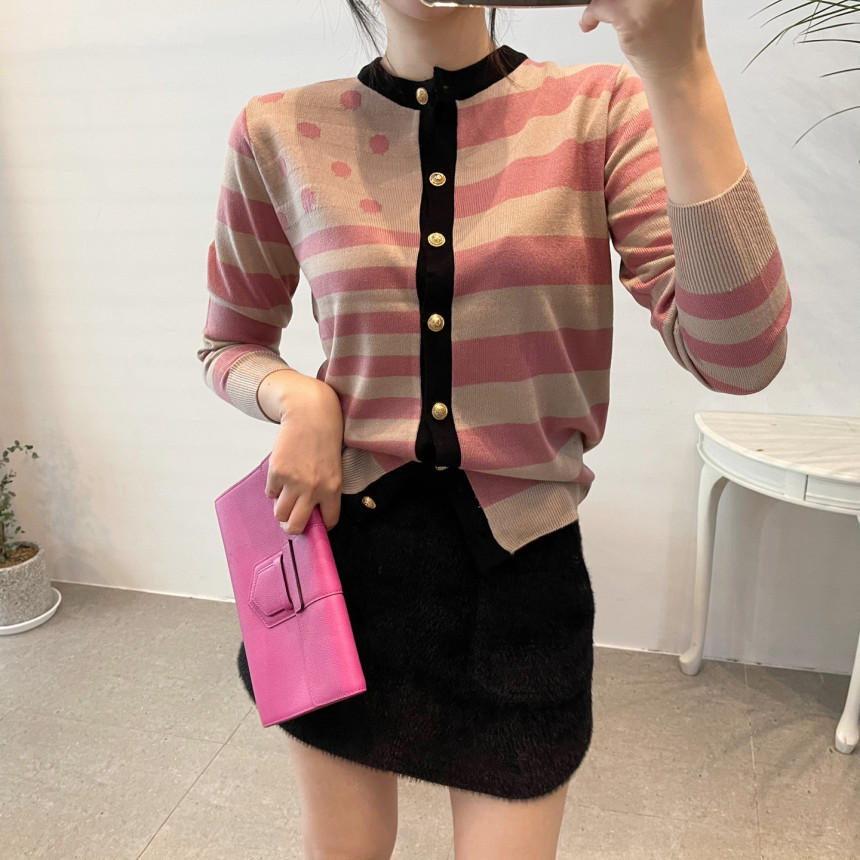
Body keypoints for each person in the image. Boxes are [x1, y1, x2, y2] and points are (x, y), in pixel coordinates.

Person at [197, 1, 790, 857]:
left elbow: (742, 355)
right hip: (342, 568)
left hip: (521, 580)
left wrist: (681, 67)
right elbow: (229, 342)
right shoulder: (278, 130)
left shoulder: (599, 111)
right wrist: (300, 399)